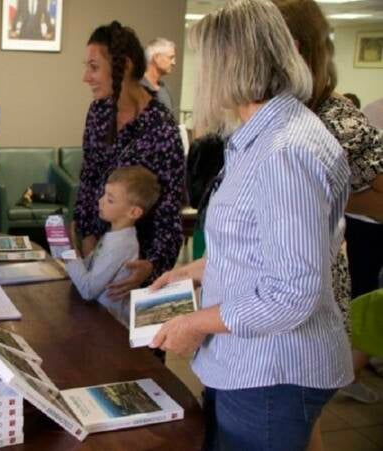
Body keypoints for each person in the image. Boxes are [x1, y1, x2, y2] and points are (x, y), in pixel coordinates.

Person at [149, 1, 353, 450]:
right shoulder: (261, 136)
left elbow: (292, 291)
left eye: (207, 61)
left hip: (272, 372)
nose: (202, 75)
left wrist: (196, 323)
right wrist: (192, 271)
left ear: (233, 65)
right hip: (248, 364)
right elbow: (256, 244)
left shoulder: (285, 151)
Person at [274, 0, 383, 420]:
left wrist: (320, 194)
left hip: (308, 294)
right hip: (280, 289)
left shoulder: (337, 117)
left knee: (292, 413)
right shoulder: (278, 109)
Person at [75, 21, 185, 299]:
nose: (85, 77)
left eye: (94, 67)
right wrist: (89, 246)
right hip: (99, 251)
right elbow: (88, 181)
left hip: (137, 268)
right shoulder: (98, 113)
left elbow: (169, 212)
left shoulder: (161, 127)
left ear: (123, 66)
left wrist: (151, 265)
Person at [65, 166, 160, 326]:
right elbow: (88, 269)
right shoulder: (113, 236)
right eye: (104, 194)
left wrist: (70, 251)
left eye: (110, 199)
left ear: (134, 212)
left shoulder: (121, 246)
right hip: (98, 315)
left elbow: (88, 289)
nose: (100, 201)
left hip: (110, 324)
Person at [142, 38, 177, 116]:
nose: (174, 63)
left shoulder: (165, 89)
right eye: (171, 57)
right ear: (156, 58)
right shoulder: (136, 88)